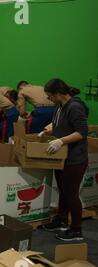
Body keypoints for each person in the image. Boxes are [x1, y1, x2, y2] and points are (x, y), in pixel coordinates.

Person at [41, 79, 89, 242]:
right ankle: (61, 220)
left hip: (75, 159)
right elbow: (61, 122)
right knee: (63, 190)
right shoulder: (60, 106)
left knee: (71, 194)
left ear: (58, 94)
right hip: (62, 157)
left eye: (50, 96)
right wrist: (50, 127)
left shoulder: (75, 107)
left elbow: (81, 132)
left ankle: (76, 230)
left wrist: (61, 141)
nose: (49, 100)